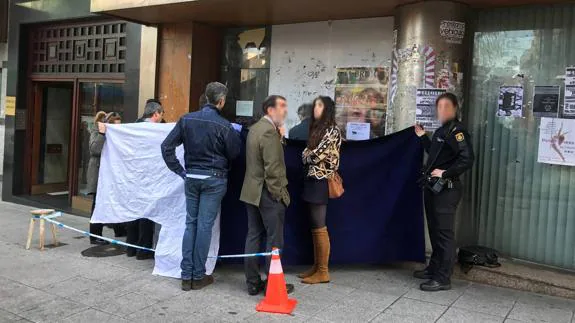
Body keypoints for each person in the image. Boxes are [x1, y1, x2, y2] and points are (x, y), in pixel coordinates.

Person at [161, 82, 241, 291]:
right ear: (221, 101)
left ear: (206, 97)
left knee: (191, 224)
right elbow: (234, 153)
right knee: (204, 226)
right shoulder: (225, 126)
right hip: (214, 179)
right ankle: (198, 275)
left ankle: (186, 275)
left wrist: (180, 171)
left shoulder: (186, 119)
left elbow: (166, 146)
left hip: (192, 177)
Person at [413, 92, 474, 292]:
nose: (443, 110)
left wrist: (446, 173)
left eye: (447, 106)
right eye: (439, 107)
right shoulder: (442, 131)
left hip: (447, 190)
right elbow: (434, 153)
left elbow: (467, 159)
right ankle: (434, 268)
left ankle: (443, 278)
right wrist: (423, 137)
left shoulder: (458, 132)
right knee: (434, 230)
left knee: (444, 234)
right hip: (433, 188)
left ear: (456, 108)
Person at [240, 95, 294, 296]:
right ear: (270, 110)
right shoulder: (269, 133)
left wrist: (280, 138)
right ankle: (274, 284)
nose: (285, 110)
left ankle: (252, 282)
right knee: (274, 239)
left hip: (251, 191)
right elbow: (273, 169)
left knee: (253, 235)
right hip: (268, 193)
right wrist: (279, 194)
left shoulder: (255, 129)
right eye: (282, 106)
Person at [298, 96, 342, 284]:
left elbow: (314, 156)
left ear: (327, 109)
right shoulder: (318, 129)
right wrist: (308, 154)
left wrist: (308, 154)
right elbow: (305, 154)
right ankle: (317, 267)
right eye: (315, 105)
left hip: (321, 180)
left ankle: (323, 271)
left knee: (319, 225)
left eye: (319, 105)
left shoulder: (332, 130)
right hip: (312, 180)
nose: (315, 108)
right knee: (314, 225)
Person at [125, 99, 165, 260]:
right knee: (147, 213)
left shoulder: (134, 126)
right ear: (156, 114)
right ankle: (143, 250)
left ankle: (130, 247)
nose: (162, 117)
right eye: (162, 114)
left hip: (133, 175)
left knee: (134, 212)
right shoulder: (154, 130)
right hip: (149, 177)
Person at [87, 111, 123, 244]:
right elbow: (94, 149)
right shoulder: (97, 131)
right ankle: (95, 236)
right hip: (98, 174)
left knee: (114, 201)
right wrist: (102, 134)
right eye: (116, 126)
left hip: (111, 173)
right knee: (98, 204)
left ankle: (119, 229)